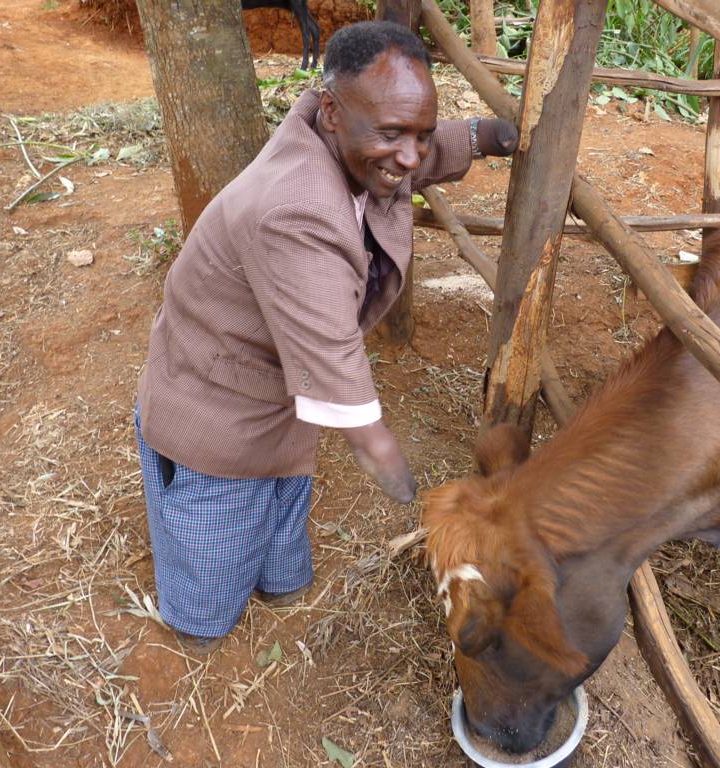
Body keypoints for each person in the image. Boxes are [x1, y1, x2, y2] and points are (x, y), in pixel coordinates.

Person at [134, 20, 519, 654]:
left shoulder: (348, 141)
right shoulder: (297, 207)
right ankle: (200, 625)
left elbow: (410, 153)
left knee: (282, 507)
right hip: (215, 407)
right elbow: (329, 347)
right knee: (213, 545)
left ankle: (276, 581)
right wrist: (383, 454)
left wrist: (478, 138)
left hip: (274, 398)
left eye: (422, 134)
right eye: (395, 135)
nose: (411, 156)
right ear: (335, 112)